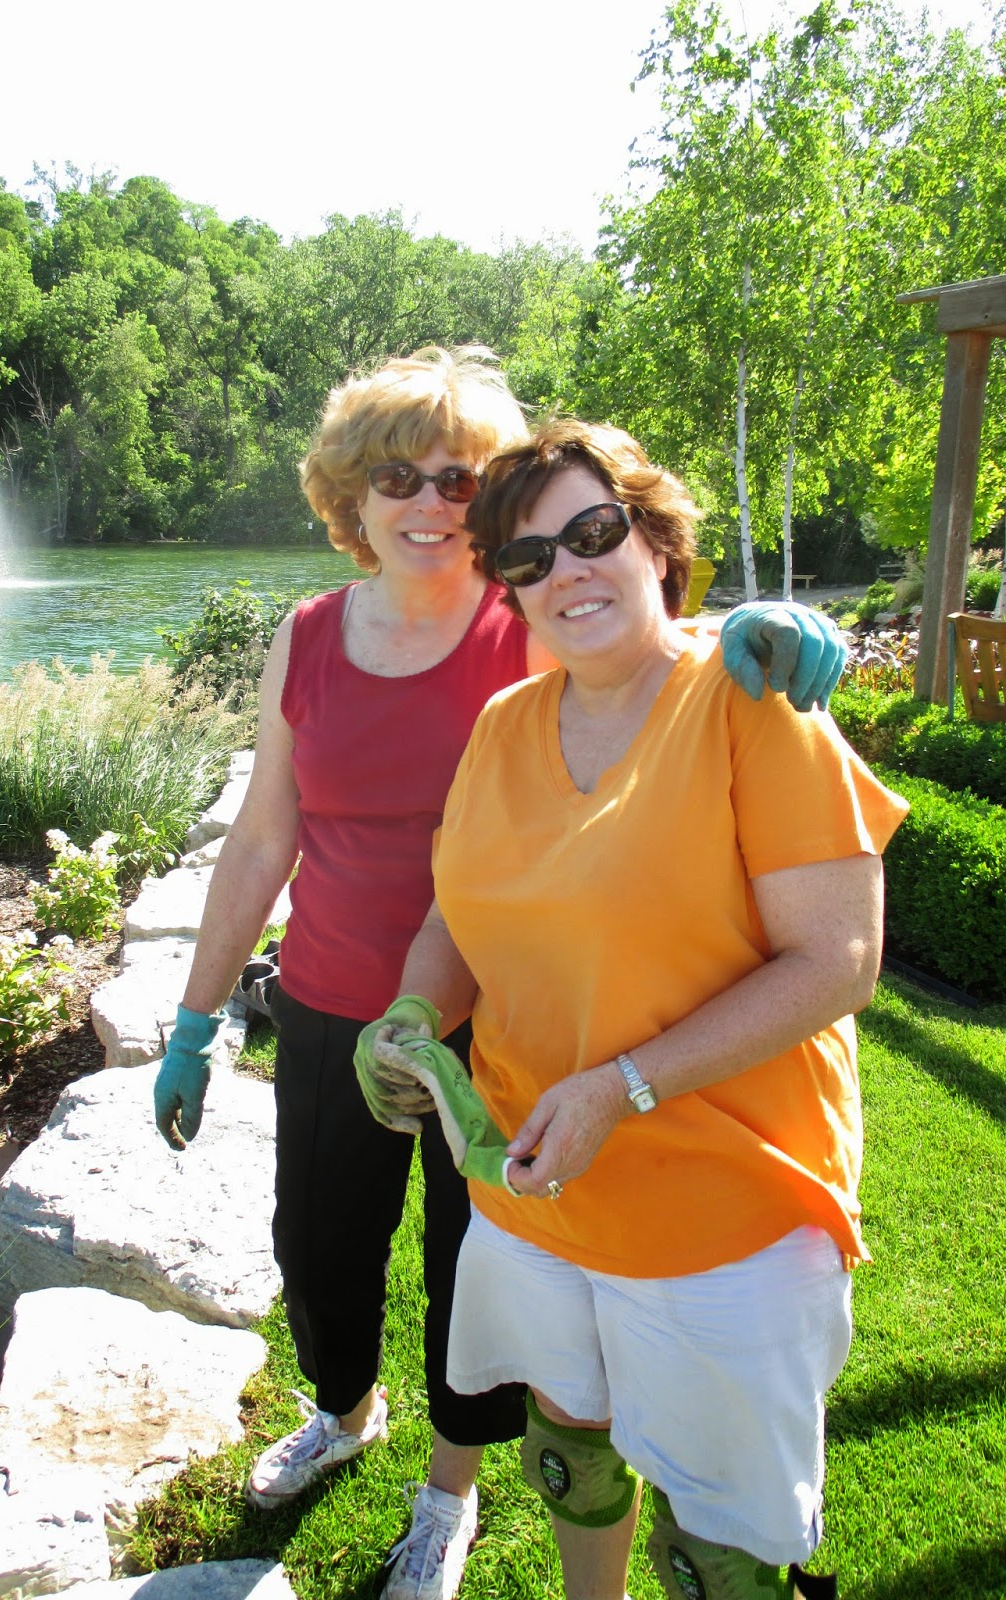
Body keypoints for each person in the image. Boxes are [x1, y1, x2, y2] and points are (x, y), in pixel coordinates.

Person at [150, 353, 848, 1600]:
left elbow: (634, 643)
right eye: (396, 476)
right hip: (353, 1002)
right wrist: (198, 1018)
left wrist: (748, 628)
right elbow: (265, 839)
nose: (428, 502)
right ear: (350, 496)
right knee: (323, 1246)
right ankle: (343, 1409)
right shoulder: (320, 641)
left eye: (457, 480)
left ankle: (448, 1490)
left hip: (529, 1034)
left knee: (472, 1273)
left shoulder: (519, 623)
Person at [359, 417, 907, 1600]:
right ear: (509, 588)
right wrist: (409, 1011)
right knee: (572, 1444)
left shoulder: (754, 703)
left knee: (722, 1540)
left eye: (592, 532)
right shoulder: (505, 725)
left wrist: (623, 1087)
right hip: (535, 1185)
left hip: (725, 1211)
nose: (565, 570)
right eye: (528, 557)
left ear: (655, 541)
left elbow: (838, 961)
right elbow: (457, 917)